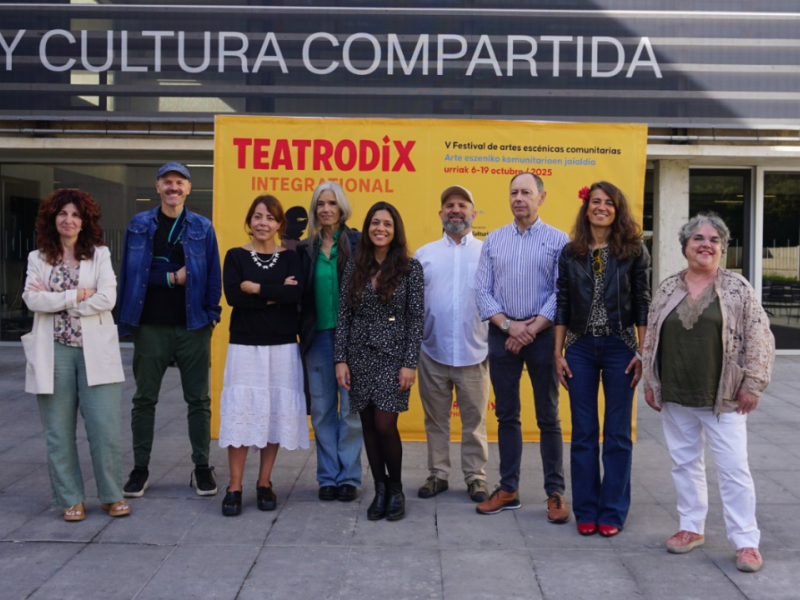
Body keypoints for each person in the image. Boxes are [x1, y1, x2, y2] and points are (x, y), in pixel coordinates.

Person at [642, 213, 774, 573]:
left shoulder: (737, 288)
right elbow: (652, 337)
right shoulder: (668, 287)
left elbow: (760, 338)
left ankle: (746, 542)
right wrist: (651, 383)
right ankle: (691, 527)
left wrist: (753, 383)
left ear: (722, 248)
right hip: (676, 392)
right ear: (684, 246)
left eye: (714, 239)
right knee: (684, 464)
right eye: (698, 238)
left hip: (725, 397)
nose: (706, 244)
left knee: (733, 469)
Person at [22, 189, 128, 521]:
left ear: (85, 222)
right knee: (58, 431)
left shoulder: (99, 255)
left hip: (95, 350)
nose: (69, 220)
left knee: (104, 427)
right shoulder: (37, 258)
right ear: (52, 219)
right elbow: (31, 300)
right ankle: (70, 498)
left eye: (76, 215)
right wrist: (77, 295)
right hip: (53, 350)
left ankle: (112, 496)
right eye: (63, 214)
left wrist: (56, 297)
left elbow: (107, 299)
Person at [117, 162, 222, 498]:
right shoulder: (139, 225)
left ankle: (202, 468)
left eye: (180, 182)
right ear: (157, 186)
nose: (173, 187)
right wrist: (170, 277)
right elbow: (132, 276)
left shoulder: (202, 227)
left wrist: (211, 316)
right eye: (167, 182)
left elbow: (211, 277)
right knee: (144, 400)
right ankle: (140, 470)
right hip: (150, 325)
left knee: (199, 401)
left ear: (189, 188)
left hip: (193, 326)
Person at [554, 181, 651, 537]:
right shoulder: (571, 252)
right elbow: (562, 302)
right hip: (578, 347)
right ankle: (586, 510)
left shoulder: (634, 251)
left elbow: (643, 302)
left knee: (617, 433)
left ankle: (611, 510)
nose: (602, 208)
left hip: (620, 347)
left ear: (617, 208)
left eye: (609, 203)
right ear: (586, 207)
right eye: (596, 202)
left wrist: (643, 351)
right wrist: (557, 352)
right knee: (582, 433)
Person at [474, 172, 570, 521]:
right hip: (503, 334)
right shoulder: (494, 240)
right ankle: (509, 489)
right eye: (514, 192)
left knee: (548, 416)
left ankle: (555, 494)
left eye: (526, 192)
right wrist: (510, 326)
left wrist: (531, 328)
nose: (519, 198)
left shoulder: (560, 240)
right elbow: (482, 291)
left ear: (541, 197)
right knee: (506, 415)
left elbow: (562, 292)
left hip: (543, 336)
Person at [218, 195, 308, 516]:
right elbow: (232, 296)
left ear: (279, 225)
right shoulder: (234, 256)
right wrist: (275, 293)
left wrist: (256, 289)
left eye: (270, 218)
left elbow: (294, 294)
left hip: (283, 345)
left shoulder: (291, 258)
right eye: (257, 216)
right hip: (245, 345)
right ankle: (235, 486)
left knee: (272, 411)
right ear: (249, 220)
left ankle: (264, 482)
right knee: (242, 412)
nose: (262, 223)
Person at [334, 201, 424, 522]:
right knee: (368, 426)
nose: (380, 228)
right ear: (368, 228)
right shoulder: (352, 269)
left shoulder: (410, 269)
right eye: (374, 223)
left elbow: (415, 320)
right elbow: (343, 316)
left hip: (394, 358)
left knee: (385, 424)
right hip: (359, 358)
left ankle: (396, 489)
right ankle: (380, 489)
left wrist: (409, 363)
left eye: (386, 223)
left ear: (395, 229)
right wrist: (340, 360)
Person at [414, 185, 490, 503]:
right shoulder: (424, 254)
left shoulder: (487, 251)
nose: (455, 210)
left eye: (462, 205)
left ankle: (476, 477)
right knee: (436, 421)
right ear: (441, 213)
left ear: (474, 213)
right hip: (432, 351)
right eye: (449, 205)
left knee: (474, 422)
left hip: (475, 351)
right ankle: (438, 474)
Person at [298, 182, 363, 503]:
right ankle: (327, 478)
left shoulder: (357, 243)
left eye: (332, 203)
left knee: (350, 411)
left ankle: (349, 477)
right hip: (318, 339)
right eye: (320, 204)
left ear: (342, 208)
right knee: (323, 410)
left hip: (352, 340)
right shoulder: (304, 248)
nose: (326, 209)